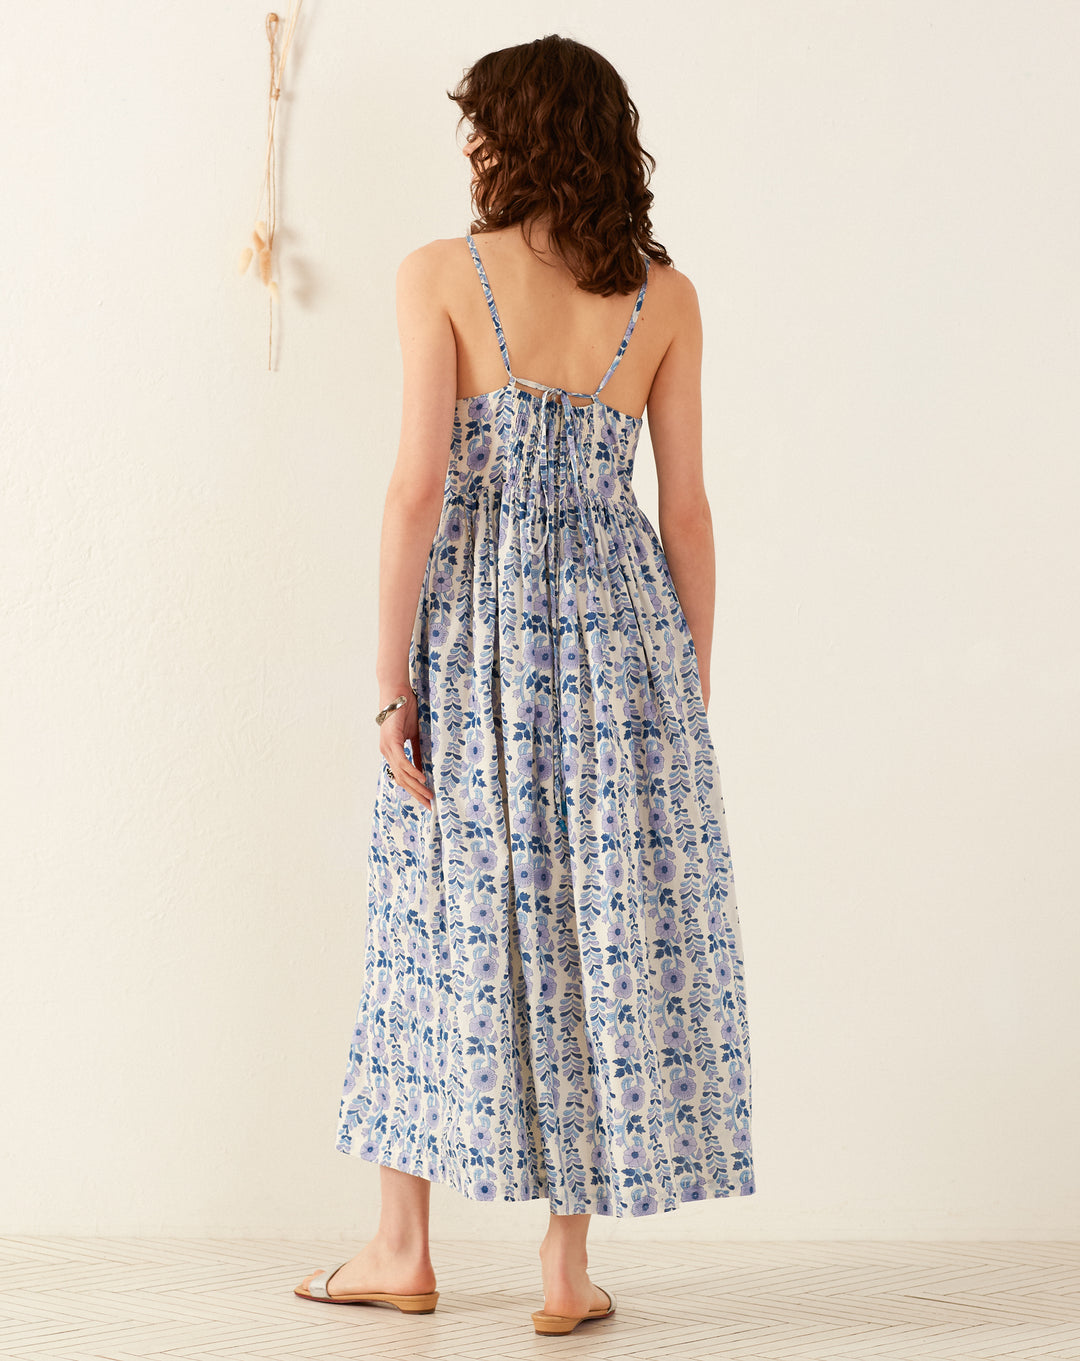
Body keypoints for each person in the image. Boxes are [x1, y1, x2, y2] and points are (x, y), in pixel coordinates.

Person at [295, 33, 755, 1337]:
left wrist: (392, 682)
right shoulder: (666, 298)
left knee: (434, 916)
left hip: (480, 636)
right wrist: (687, 694)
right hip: (624, 647)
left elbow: (416, 491)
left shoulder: (442, 274)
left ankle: (403, 1244)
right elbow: (691, 517)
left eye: (480, 127)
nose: (470, 150)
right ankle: (563, 1273)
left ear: (514, 136)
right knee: (587, 930)